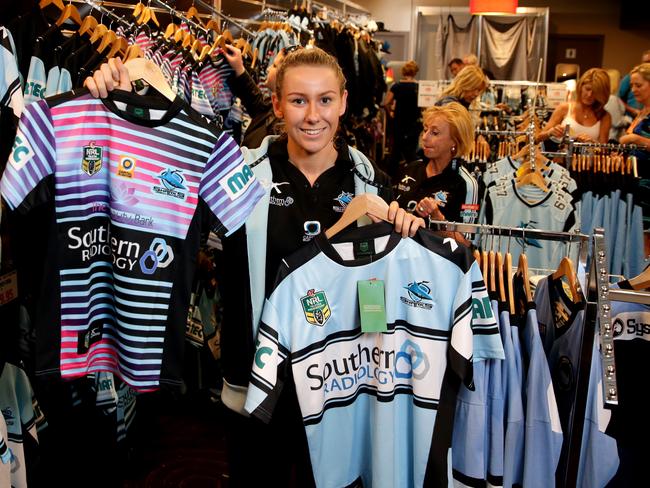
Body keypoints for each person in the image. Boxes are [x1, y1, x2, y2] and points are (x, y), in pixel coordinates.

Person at [84, 51, 424, 486]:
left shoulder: (369, 182)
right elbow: (152, 186)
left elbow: (378, 287)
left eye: (325, 101)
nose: (313, 116)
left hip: (341, 391)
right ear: (278, 105)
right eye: (299, 100)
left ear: (343, 102)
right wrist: (114, 98)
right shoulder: (239, 173)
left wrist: (411, 227)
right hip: (255, 391)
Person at [394, 102, 478, 246]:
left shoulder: (466, 184)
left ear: (455, 141)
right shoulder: (411, 169)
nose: (425, 138)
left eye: (434, 133)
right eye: (425, 130)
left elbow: (465, 243)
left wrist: (437, 217)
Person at [222, 43, 286, 148]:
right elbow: (257, 102)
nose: (268, 69)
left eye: (274, 66)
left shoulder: (281, 130)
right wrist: (239, 68)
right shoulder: (274, 109)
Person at [619, 62, 650, 249]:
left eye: (638, 85)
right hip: (635, 185)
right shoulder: (642, 113)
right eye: (632, 85)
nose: (633, 90)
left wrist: (638, 140)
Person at [538, 68, 612, 144]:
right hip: (562, 155)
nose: (589, 95)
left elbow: (603, 148)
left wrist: (592, 143)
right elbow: (538, 138)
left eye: (595, 92)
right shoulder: (564, 108)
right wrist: (550, 132)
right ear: (580, 86)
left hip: (589, 156)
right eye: (587, 89)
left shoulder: (605, 116)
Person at [383, 60, 422, 177]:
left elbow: (386, 103)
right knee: (411, 152)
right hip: (413, 123)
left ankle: (391, 178)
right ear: (415, 72)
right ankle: (413, 175)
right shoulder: (418, 87)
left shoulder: (396, 86)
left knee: (395, 151)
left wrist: (391, 114)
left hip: (399, 122)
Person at [618, 50, 650, 117]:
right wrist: (633, 110)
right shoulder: (632, 76)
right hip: (632, 117)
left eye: (638, 85)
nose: (633, 90)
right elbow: (619, 98)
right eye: (645, 62)